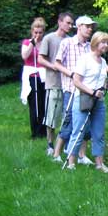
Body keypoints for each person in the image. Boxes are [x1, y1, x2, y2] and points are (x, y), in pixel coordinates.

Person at [66, 31, 108, 172]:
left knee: (99, 133)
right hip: (83, 99)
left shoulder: (103, 61)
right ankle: (71, 163)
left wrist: (107, 85)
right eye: (103, 42)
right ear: (95, 43)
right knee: (78, 131)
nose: (106, 45)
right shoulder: (85, 59)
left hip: (98, 101)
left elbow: (99, 81)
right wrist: (92, 92)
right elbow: (76, 81)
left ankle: (99, 164)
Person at [51, 15, 95, 164]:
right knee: (68, 122)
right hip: (71, 89)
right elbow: (57, 64)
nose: (90, 29)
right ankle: (56, 154)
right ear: (79, 27)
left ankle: (82, 155)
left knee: (86, 122)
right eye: (87, 26)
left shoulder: (90, 46)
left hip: (87, 90)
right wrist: (71, 74)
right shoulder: (67, 43)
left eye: (91, 27)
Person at [37, 11, 73, 156]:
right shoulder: (49, 38)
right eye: (68, 23)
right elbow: (40, 59)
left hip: (68, 84)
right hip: (54, 83)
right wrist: (53, 66)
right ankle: (50, 144)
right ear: (60, 22)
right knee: (51, 116)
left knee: (67, 117)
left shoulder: (71, 40)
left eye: (71, 24)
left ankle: (64, 144)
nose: (70, 26)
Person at [20, 17, 47, 139]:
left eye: (40, 32)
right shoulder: (27, 42)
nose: (38, 35)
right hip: (32, 76)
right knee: (34, 104)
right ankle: (35, 131)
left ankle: (43, 130)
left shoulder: (45, 43)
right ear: (32, 31)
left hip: (43, 76)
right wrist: (32, 43)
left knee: (43, 103)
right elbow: (24, 56)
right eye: (36, 32)